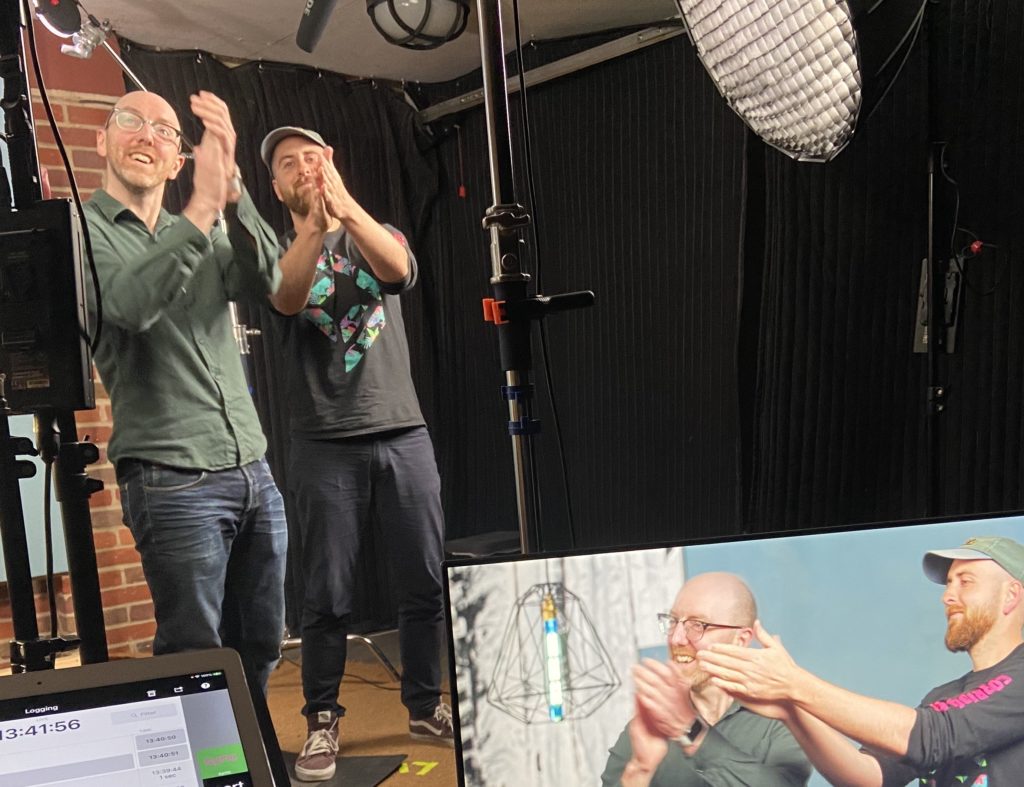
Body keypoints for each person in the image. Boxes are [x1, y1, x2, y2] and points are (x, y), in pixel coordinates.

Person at [258, 126, 450, 781]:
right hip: (322, 445)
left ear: (331, 163)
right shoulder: (278, 254)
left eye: (311, 157)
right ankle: (322, 720)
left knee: (424, 580)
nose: (302, 168)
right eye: (289, 164)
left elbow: (398, 270)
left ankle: (424, 705)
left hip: (403, 432)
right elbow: (286, 296)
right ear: (277, 186)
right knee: (326, 594)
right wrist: (314, 222)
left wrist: (345, 207)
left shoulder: (378, 232)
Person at [84, 90, 287, 695]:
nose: (147, 136)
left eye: (166, 131)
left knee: (262, 642)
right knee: (194, 655)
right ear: (102, 140)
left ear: (179, 159)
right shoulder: (78, 232)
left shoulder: (197, 224)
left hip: (252, 466)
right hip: (171, 480)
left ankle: (249, 763)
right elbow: (129, 305)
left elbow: (266, 278)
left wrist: (233, 193)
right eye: (130, 122)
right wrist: (202, 207)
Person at [697, 536, 1024, 787]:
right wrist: (790, 707)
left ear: (1011, 594)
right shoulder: (942, 698)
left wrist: (795, 682)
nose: (947, 596)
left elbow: (934, 736)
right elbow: (868, 777)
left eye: (965, 581)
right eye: (949, 583)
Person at [600, 572, 812, 786]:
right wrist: (640, 769)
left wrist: (692, 731)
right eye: (673, 621)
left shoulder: (782, 723)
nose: (676, 638)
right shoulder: (646, 728)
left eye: (698, 624)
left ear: (740, 640)